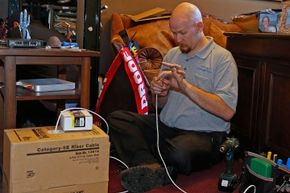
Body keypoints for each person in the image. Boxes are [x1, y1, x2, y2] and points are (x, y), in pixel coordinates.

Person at [107, 2, 238, 193]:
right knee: (117, 120)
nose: (177, 39)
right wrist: (159, 91)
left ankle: (149, 159)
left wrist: (184, 87)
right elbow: (159, 105)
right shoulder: (173, 55)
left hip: (203, 134)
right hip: (168, 128)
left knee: (180, 153)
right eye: (174, 33)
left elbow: (227, 111)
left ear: (199, 26)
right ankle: (153, 168)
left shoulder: (222, 59)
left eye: (182, 33)